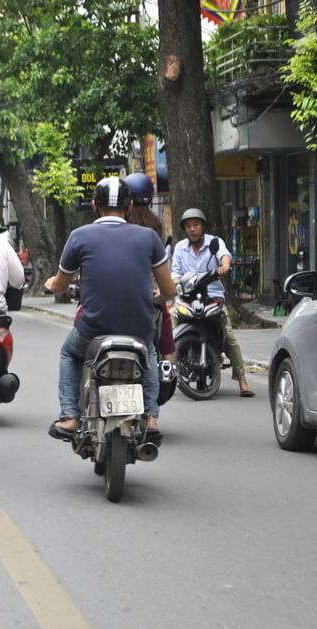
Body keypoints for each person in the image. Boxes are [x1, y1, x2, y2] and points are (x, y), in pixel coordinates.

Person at [46, 177, 175, 440]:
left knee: (69, 353)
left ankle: (70, 416)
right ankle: (150, 418)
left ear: (94, 206)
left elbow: (60, 286)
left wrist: (50, 283)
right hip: (139, 328)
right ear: (129, 207)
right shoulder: (149, 237)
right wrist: (159, 294)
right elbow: (169, 290)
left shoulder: (78, 236)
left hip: (93, 329)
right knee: (149, 352)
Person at [171, 208, 255, 397]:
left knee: (229, 336)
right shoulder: (180, 248)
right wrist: (175, 281)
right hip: (187, 297)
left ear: (203, 227)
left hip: (213, 296)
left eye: (196, 225)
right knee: (169, 327)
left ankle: (242, 379)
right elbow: (175, 272)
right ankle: (167, 372)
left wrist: (225, 266)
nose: (193, 229)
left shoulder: (214, 243)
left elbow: (225, 256)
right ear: (184, 229)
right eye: (189, 226)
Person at [124, 172, 175, 365]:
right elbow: (159, 266)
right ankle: (169, 367)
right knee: (165, 323)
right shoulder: (155, 226)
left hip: (124, 289)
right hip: (150, 291)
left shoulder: (122, 225)